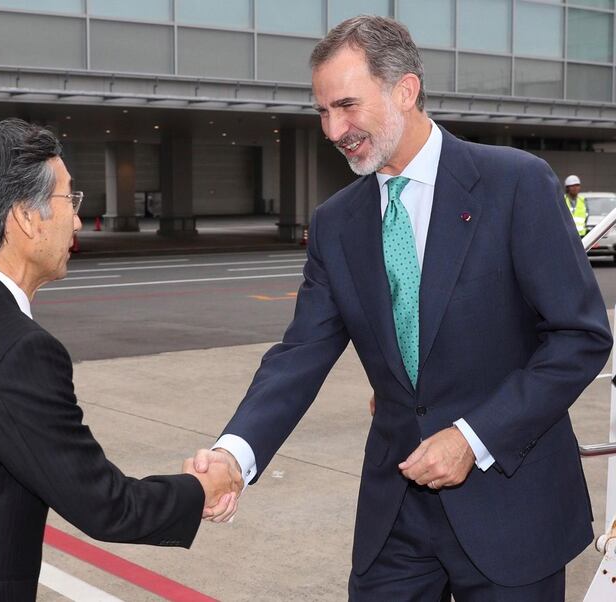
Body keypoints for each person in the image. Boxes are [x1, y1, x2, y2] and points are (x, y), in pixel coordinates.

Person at [190, 16, 612, 601]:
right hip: (396, 517)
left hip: (511, 509)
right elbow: (300, 355)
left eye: (347, 106)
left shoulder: (514, 184)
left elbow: (580, 336)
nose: (334, 129)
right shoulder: (336, 223)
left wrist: (472, 437)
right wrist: (234, 455)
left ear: (405, 91)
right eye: (322, 112)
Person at [0, 119, 240, 601]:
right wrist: (205, 486)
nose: (77, 221)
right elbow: (106, 505)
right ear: (25, 217)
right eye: (69, 201)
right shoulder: (20, 350)